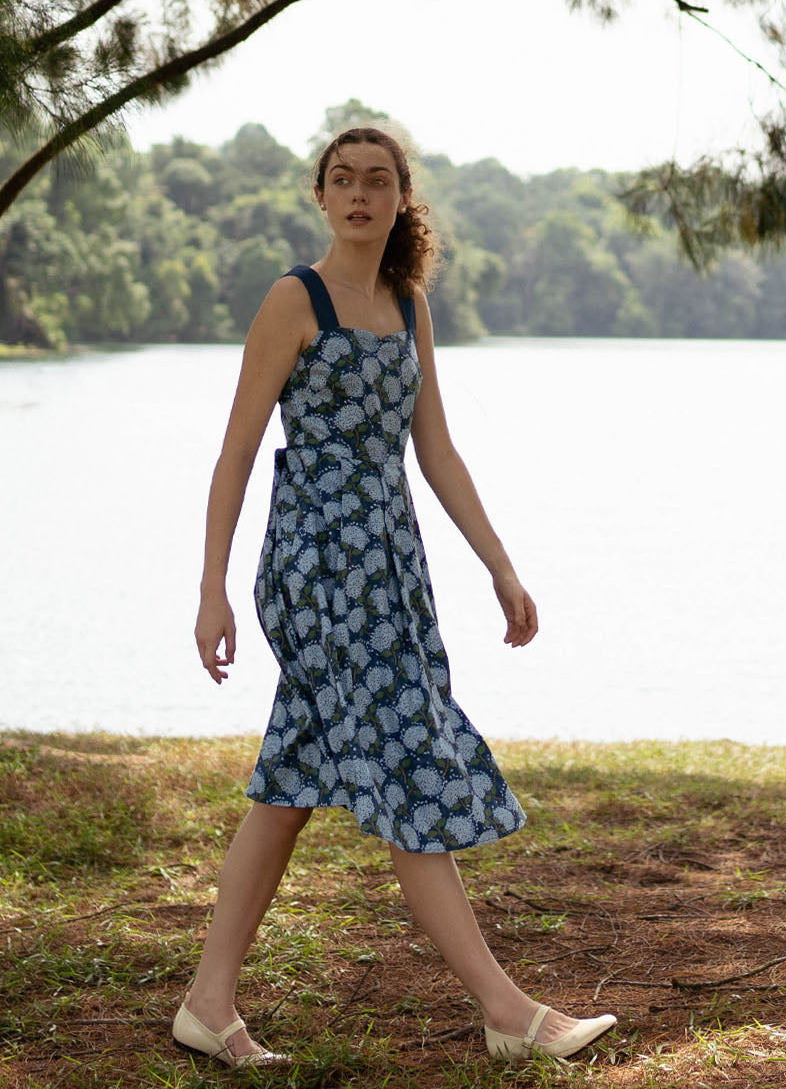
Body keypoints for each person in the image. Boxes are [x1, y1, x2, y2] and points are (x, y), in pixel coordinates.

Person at [173, 126, 616, 1069]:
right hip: (317, 564)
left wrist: (500, 564)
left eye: (379, 181)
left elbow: (437, 448)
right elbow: (237, 452)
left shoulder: (406, 301)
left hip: (391, 566)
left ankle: (208, 1005)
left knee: (293, 777)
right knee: (409, 752)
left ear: (402, 198)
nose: (360, 195)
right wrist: (210, 588)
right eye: (344, 180)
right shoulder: (295, 298)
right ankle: (509, 1011)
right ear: (321, 196)